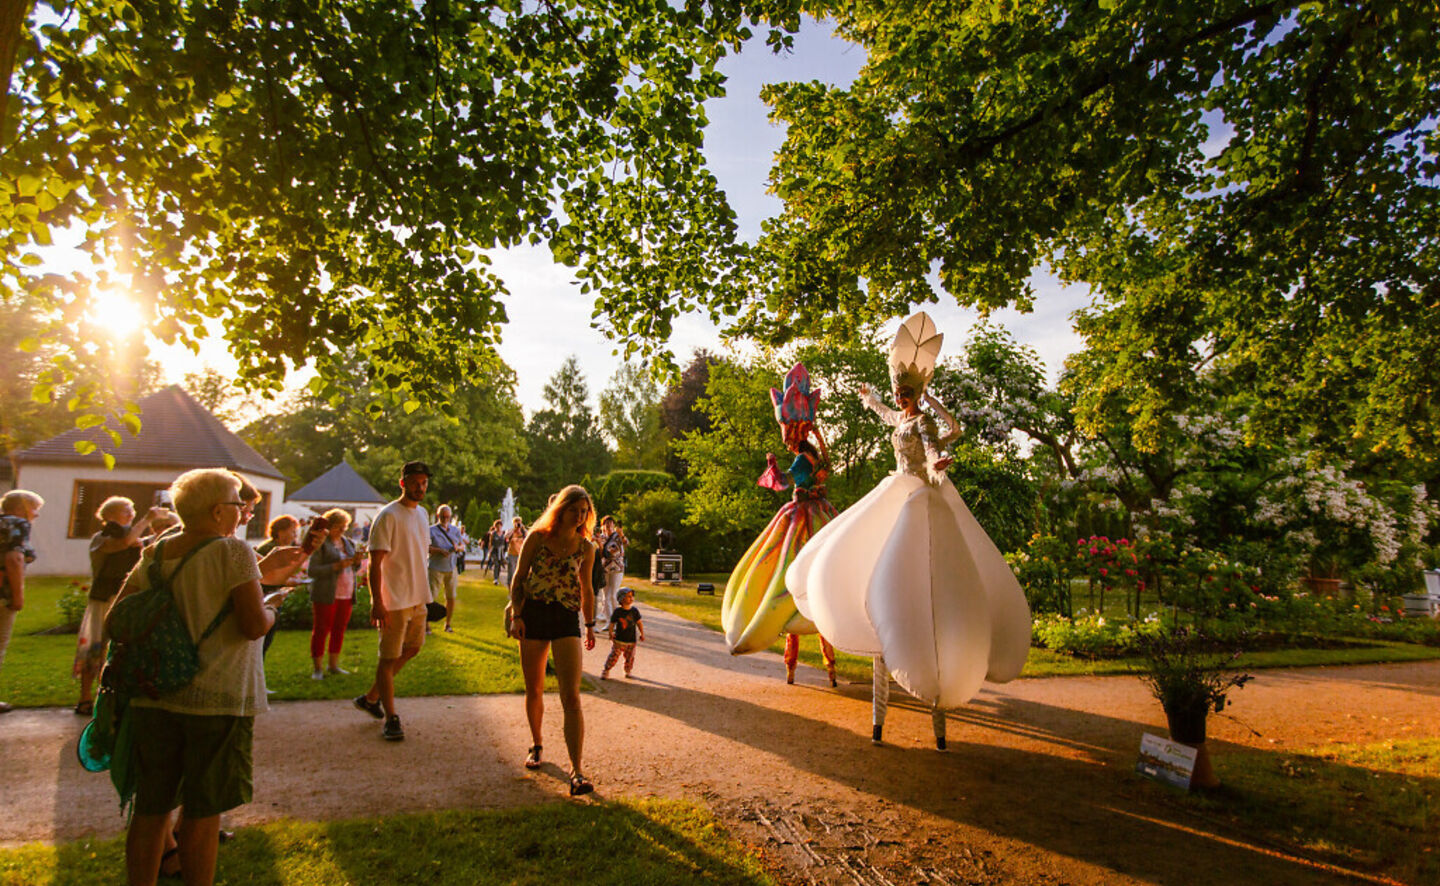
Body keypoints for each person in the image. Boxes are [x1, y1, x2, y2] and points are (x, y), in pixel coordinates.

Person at [786, 313, 1032, 750]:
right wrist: (869, 398)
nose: (900, 400)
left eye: (906, 394)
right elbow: (886, 416)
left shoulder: (921, 422)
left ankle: (937, 711)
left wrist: (936, 453)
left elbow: (941, 439)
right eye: (899, 394)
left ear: (917, 394)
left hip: (922, 493)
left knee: (929, 575)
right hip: (896, 489)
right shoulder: (900, 420)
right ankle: (880, 710)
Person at [110, 468, 294, 886]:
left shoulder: (155, 553)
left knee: (151, 808)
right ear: (217, 511)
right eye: (238, 504)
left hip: (155, 694)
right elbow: (252, 624)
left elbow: (116, 619)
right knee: (203, 811)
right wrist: (274, 604)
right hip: (216, 697)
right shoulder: (232, 552)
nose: (243, 510)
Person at [721, 363, 840, 686]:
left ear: (794, 430)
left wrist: (774, 467)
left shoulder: (804, 458)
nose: (786, 437)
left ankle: (798, 666)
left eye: (788, 431)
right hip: (819, 513)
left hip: (805, 517)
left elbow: (787, 482)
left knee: (788, 574)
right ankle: (826, 670)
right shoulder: (813, 453)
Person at [505, 485, 597, 795]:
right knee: (535, 688)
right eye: (574, 510)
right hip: (534, 614)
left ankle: (577, 771)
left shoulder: (587, 548)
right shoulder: (537, 538)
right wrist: (517, 615)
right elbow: (518, 579)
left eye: (584, 511)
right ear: (561, 509)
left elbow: (586, 588)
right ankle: (536, 744)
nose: (580, 516)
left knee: (571, 696)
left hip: (566, 618)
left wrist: (591, 624)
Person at [354, 461, 432, 742]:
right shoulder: (387, 516)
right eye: (415, 482)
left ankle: (372, 697)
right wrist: (377, 602)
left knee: (412, 648)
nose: (420, 487)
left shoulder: (423, 514)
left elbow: (418, 552)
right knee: (388, 658)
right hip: (394, 600)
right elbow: (376, 563)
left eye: (424, 482)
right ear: (403, 483)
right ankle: (391, 718)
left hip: (418, 598)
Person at [74, 497, 167, 716]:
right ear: (110, 514)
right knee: (94, 647)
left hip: (124, 599)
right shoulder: (102, 537)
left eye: (132, 510)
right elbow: (123, 544)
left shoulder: (132, 537)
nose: (131, 514)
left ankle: (108, 697)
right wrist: (147, 520)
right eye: (126, 510)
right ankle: (85, 698)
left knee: (119, 649)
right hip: (103, 598)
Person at [0, 490, 43, 715]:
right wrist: (18, 595)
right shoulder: (17, 524)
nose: (36, 515)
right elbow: (14, 559)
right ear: (22, 507)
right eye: (34, 508)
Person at [307, 509, 364, 679]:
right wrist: (335, 567)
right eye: (337, 527)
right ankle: (317, 668)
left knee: (339, 629)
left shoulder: (348, 543)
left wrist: (357, 562)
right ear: (328, 527)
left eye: (343, 527)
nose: (341, 530)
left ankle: (333, 664)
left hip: (346, 592)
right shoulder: (321, 545)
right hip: (326, 593)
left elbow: (355, 567)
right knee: (321, 630)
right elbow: (312, 570)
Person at [427, 504, 463, 632]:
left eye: (448, 517)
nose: (445, 519)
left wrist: (457, 547)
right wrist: (439, 550)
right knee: (430, 598)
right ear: (438, 516)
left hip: (451, 567)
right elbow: (425, 547)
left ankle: (448, 624)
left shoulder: (455, 530)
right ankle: (427, 625)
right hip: (435, 568)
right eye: (443, 517)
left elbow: (462, 546)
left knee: (451, 597)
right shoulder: (431, 530)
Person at [600, 586, 644, 680]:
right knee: (613, 656)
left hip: (631, 640)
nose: (631, 598)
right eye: (628, 596)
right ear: (621, 598)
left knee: (630, 658)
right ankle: (606, 670)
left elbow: (639, 623)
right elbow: (612, 623)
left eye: (632, 596)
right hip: (619, 639)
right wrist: (610, 633)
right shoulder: (618, 611)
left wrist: (642, 633)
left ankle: (627, 671)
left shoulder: (634, 611)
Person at [595, 516, 627, 628]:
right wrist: (599, 543)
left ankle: (616, 621)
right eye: (606, 523)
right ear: (602, 525)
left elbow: (626, 543)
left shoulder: (618, 536)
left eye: (611, 523)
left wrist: (621, 534)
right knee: (605, 596)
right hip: (605, 569)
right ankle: (610, 622)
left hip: (617, 569)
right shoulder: (601, 538)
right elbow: (600, 554)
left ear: (614, 525)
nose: (608, 525)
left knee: (612, 595)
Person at [504, 516, 527, 588]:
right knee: (511, 570)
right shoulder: (510, 531)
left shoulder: (523, 531)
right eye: (516, 522)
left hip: (520, 554)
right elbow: (506, 537)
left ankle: (518, 585)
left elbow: (528, 538)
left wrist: (522, 529)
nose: (518, 524)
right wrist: (514, 529)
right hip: (511, 554)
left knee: (520, 571)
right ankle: (510, 584)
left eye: (519, 522)